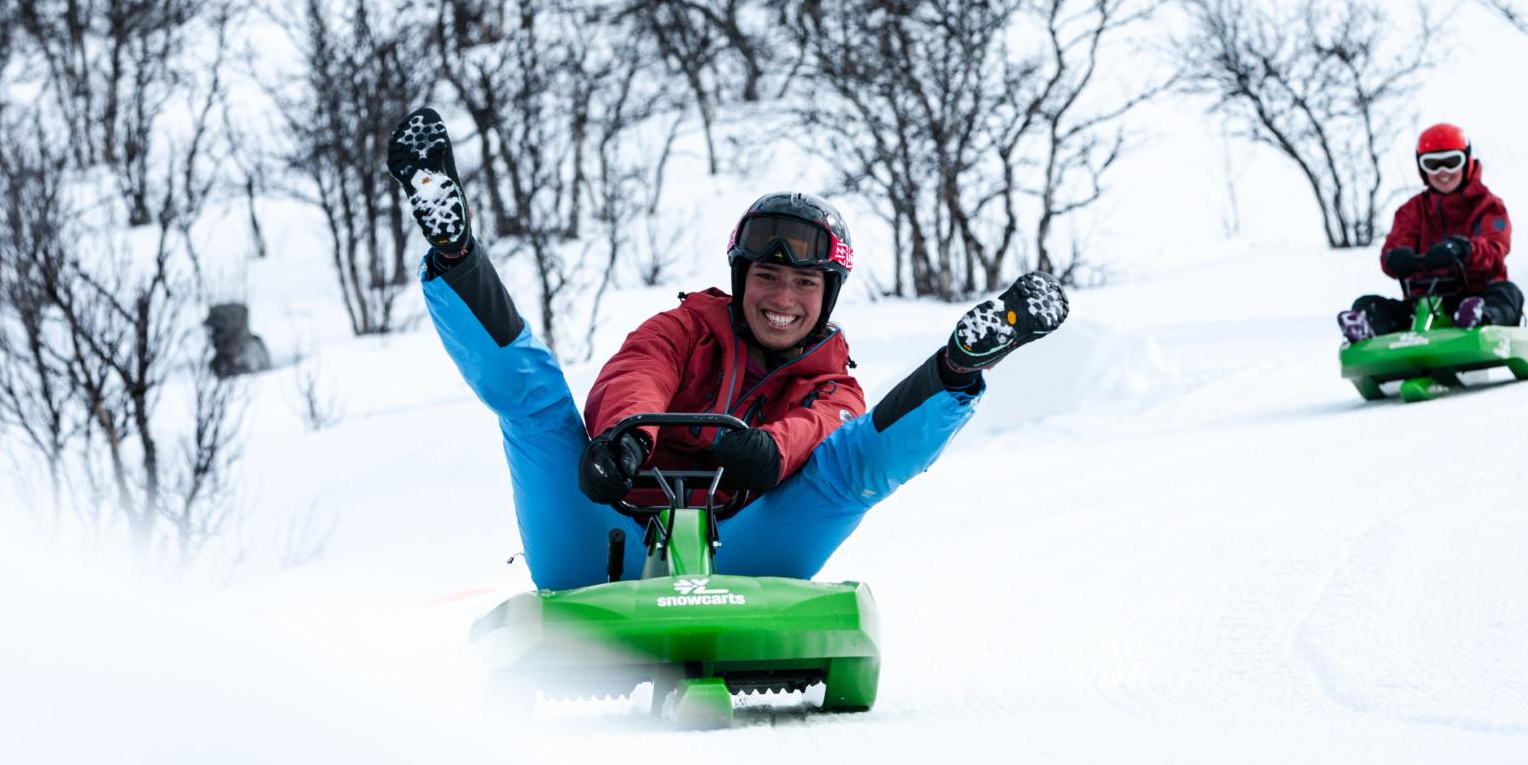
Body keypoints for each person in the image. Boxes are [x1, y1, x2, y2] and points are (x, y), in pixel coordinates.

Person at [387, 107, 1069, 591]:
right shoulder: (687, 327)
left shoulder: (835, 384)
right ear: (741, 278)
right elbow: (640, 371)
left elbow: (819, 426)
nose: (783, 297)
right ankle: (455, 253)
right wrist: (629, 437)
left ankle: (959, 365)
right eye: (767, 276)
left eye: (805, 283)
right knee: (537, 407)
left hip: (746, 555)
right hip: (604, 547)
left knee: (854, 463)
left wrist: (769, 451)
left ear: (826, 297)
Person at [1337, 122, 1523, 342]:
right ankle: (1368, 331)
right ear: (1422, 169)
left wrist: (1463, 249)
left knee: (1508, 294)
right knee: (1367, 303)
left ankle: (1478, 319)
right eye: (1433, 164)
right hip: (1421, 305)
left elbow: (1495, 249)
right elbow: (1394, 246)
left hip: (1475, 293)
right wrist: (1396, 258)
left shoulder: (1488, 206)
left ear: (1467, 163)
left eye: (1451, 163)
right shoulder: (1412, 211)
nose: (1443, 172)